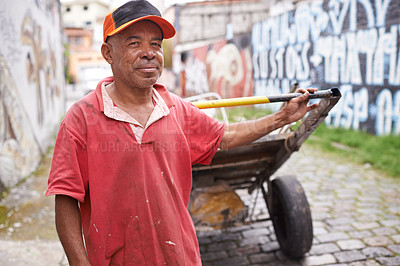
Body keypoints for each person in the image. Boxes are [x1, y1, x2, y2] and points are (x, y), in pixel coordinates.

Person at [46, 0, 318, 265]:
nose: (149, 52)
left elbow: (226, 136)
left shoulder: (176, 109)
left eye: (155, 43)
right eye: (134, 43)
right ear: (108, 53)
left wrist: (282, 116)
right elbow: (67, 197)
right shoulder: (82, 118)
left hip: (179, 255)